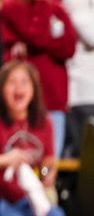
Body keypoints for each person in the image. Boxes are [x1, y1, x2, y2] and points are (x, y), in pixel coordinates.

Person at [1, 0, 77, 158]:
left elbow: (69, 48)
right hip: (20, 103)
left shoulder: (58, 7)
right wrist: (43, 5)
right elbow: (39, 37)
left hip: (53, 100)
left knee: (50, 163)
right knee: (19, 162)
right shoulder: (11, 7)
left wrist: (42, 43)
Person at [0, 61, 64, 216]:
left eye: (24, 82)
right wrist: (7, 159)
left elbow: (48, 161)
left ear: (34, 88)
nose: (19, 88)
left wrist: (48, 173)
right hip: (4, 198)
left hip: (32, 196)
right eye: (12, 82)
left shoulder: (45, 121)